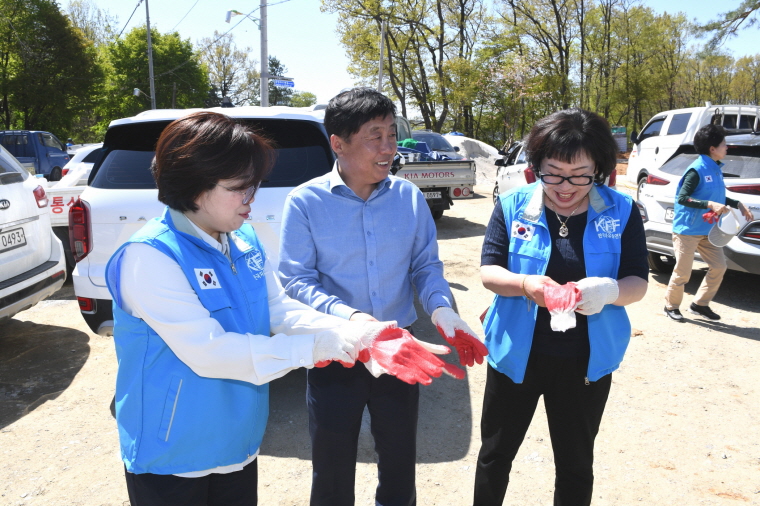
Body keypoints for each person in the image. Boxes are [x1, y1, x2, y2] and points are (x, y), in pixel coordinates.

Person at [105, 111, 396, 506]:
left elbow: (278, 310)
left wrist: (351, 332)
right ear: (193, 187)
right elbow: (211, 352)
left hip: (236, 443)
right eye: (240, 187)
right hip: (173, 453)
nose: (251, 199)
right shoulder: (150, 256)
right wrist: (312, 350)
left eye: (255, 185)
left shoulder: (241, 238)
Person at [278, 87, 487, 506]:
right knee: (332, 466)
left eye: (392, 134)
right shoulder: (304, 202)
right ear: (338, 143)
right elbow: (296, 281)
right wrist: (355, 320)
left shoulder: (408, 197)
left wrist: (444, 310)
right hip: (336, 348)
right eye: (376, 136)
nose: (389, 147)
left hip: (400, 349)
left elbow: (425, 266)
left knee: (398, 460)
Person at [474, 108, 649, 506]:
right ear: (535, 167)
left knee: (575, 462)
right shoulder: (512, 204)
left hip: (585, 361)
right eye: (553, 173)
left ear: (600, 169)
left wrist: (606, 291)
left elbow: (637, 282)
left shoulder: (621, 212)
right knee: (495, 454)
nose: (565, 186)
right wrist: (524, 284)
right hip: (516, 355)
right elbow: (488, 271)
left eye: (579, 175)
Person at [663, 123, 754, 321]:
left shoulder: (715, 168)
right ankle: (671, 306)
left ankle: (700, 304)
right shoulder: (696, 170)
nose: (726, 147)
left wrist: (738, 203)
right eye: (723, 144)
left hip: (709, 230)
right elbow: (682, 198)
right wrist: (709, 204)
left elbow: (717, 197)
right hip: (687, 230)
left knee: (719, 266)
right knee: (683, 272)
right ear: (712, 149)